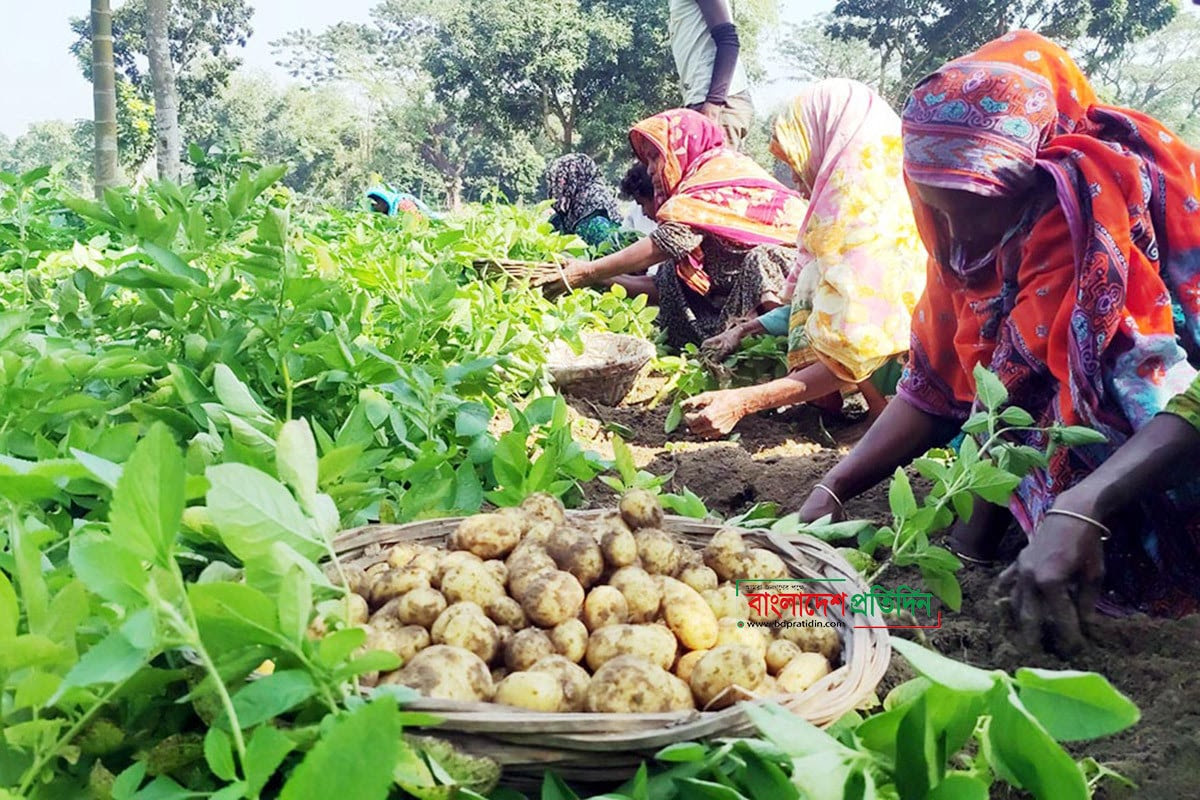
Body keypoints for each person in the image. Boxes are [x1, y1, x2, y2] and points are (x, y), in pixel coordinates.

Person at [795, 30, 1200, 651]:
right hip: (1053, 480)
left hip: (1163, 454)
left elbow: (1023, 400)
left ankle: (1135, 565)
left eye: (974, 205)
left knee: (1084, 403)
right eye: (938, 207)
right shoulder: (959, 240)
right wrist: (832, 489)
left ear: (1036, 178)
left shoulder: (1088, 213)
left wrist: (1071, 508)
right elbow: (932, 387)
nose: (958, 233)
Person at [680, 79, 927, 439]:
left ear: (834, 147)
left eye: (798, 161)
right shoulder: (855, 218)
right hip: (891, 368)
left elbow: (850, 350)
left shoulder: (874, 231)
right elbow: (821, 309)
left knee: (813, 279)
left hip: (923, 386)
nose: (795, 180)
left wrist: (742, 401)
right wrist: (744, 329)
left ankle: (885, 417)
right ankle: (863, 412)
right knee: (814, 277)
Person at [551, 109, 807, 348]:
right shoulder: (696, 181)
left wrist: (586, 271)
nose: (650, 169)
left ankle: (784, 345)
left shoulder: (715, 172)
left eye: (655, 158)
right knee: (671, 273)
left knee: (760, 259)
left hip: (797, 284)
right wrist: (598, 277)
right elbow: (660, 284)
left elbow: (667, 242)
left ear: (681, 149)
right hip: (739, 292)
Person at [669, 0, 754, 150]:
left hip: (719, 103)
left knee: (715, 172)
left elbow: (728, 39)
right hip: (703, 100)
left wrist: (713, 107)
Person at [544, 154, 627, 249]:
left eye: (563, 182)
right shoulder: (559, 219)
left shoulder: (598, 220)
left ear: (575, 180)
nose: (556, 189)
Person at [366, 186, 439, 220]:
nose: (375, 207)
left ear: (384, 203)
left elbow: (415, 219)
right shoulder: (382, 214)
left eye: (377, 204)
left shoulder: (403, 204)